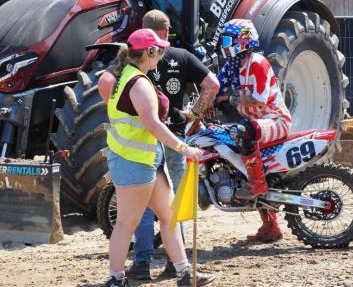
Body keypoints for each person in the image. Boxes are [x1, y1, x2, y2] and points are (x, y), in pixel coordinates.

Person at [100, 28, 216, 287]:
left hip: (144, 160)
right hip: (134, 162)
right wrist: (183, 148)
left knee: (169, 215)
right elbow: (152, 123)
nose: (163, 54)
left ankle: (184, 273)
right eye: (159, 50)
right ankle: (115, 279)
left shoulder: (129, 75)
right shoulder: (139, 83)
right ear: (149, 52)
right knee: (126, 224)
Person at [214, 19, 292, 243]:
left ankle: (257, 186)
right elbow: (215, 86)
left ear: (242, 41)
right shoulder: (232, 65)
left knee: (244, 132)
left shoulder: (257, 62)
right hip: (257, 123)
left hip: (275, 120)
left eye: (228, 40)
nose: (224, 44)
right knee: (238, 162)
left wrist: (228, 98)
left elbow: (258, 99)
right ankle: (271, 227)